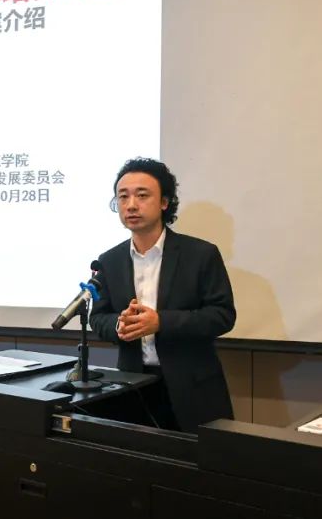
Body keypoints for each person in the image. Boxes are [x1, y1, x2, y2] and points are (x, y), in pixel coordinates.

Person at [90, 157, 236, 432]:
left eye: (142, 195)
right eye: (123, 196)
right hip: (132, 386)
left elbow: (222, 315)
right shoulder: (109, 260)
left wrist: (161, 322)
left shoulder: (201, 254)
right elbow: (98, 318)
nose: (131, 205)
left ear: (165, 202)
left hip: (193, 389)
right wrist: (119, 325)